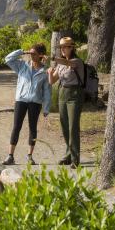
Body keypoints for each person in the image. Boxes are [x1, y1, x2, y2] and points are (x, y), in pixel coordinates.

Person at [2, 43, 52, 165]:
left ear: (40, 55)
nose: (31, 55)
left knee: (32, 128)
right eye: (30, 53)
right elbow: (8, 59)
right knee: (16, 127)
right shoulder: (22, 66)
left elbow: (47, 91)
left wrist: (46, 108)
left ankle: (29, 157)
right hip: (21, 100)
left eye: (33, 53)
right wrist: (22, 52)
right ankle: (10, 156)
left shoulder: (45, 71)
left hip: (35, 102)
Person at [48, 36, 85, 167]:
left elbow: (71, 64)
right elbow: (52, 81)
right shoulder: (60, 64)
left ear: (71, 48)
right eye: (61, 47)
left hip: (75, 94)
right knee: (64, 125)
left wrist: (53, 59)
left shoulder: (77, 61)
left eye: (65, 47)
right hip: (62, 93)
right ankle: (68, 154)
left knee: (73, 126)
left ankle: (75, 159)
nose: (62, 49)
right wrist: (49, 72)